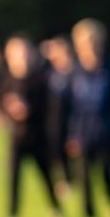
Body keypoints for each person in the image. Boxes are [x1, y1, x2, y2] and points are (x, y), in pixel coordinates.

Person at [68, 18, 110, 217]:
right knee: (84, 177)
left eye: (93, 41)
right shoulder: (74, 72)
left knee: (105, 173)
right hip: (82, 132)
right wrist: (71, 134)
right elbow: (69, 106)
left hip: (105, 131)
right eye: (84, 42)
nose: (89, 47)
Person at [1, 34, 62, 217]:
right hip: (16, 136)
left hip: (36, 135)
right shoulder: (8, 79)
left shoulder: (39, 78)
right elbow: (1, 99)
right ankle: (13, 213)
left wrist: (29, 109)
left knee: (45, 175)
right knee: (13, 177)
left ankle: (55, 208)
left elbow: (49, 106)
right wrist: (11, 107)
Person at [40, 36, 75, 197]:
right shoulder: (48, 72)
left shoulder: (74, 71)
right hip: (52, 120)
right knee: (54, 152)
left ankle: (70, 180)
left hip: (70, 119)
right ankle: (62, 181)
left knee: (68, 151)